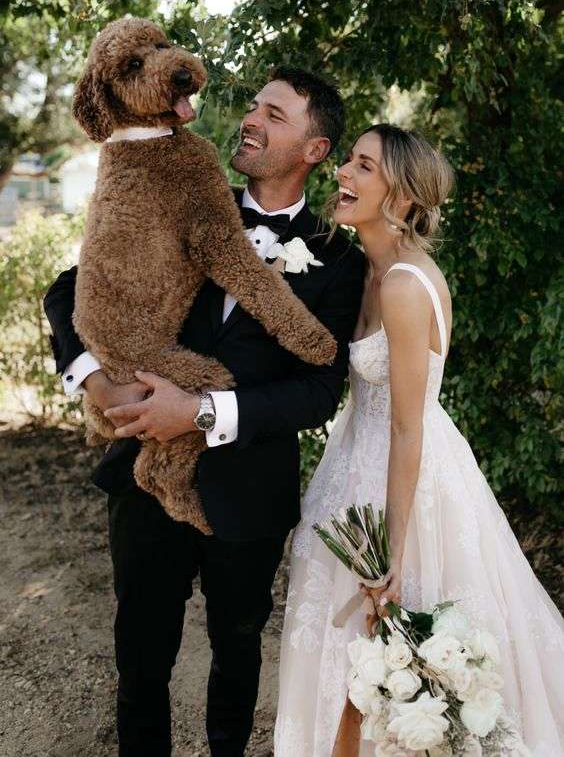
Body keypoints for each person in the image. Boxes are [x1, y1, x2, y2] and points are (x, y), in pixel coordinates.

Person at [43, 67, 365, 757]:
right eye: (254, 107)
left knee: (238, 651)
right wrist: (94, 381)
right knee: (141, 657)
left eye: (274, 115)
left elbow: (318, 389)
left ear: (314, 149)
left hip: (249, 486)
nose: (251, 120)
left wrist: (202, 411)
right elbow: (70, 289)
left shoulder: (339, 259)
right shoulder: (178, 194)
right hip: (143, 474)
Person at [274, 123, 564, 756]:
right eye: (348, 161)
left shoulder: (405, 287)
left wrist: (394, 552)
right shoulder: (364, 270)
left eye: (364, 167)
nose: (343, 173)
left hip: (406, 480)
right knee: (351, 659)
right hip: (354, 462)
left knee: (403, 650)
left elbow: (408, 427)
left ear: (401, 196)